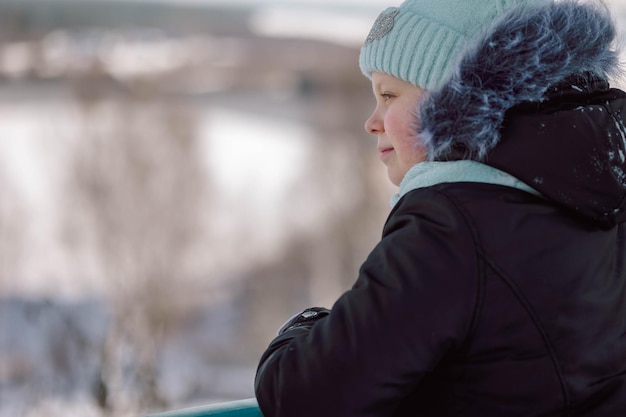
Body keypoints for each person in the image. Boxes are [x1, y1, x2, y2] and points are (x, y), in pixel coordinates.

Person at [254, 0, 626, 415]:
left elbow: (301, 394)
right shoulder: (602, 191)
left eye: (389, 95)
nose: (372, 121)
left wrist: (302, 327)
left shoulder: (454, 226)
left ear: (457, 100)